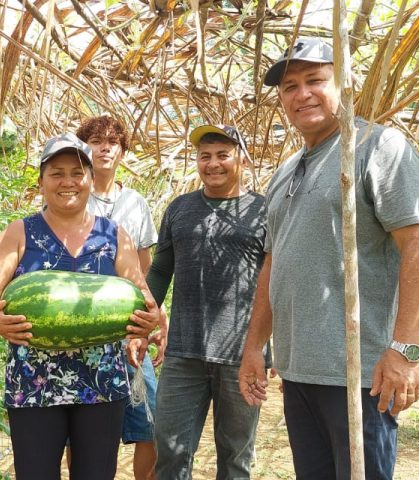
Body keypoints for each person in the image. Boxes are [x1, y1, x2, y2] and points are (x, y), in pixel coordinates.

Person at [237, 37, 419, 479]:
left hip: (359, 374)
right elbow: (275, 261)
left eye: (315, 80)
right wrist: (255, 345)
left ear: (345, 85)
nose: (301, 93)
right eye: (289, 86)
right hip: (298, 370)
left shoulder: (377, 147)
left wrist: (405, 350)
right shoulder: (288, 169)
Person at [0, 133, 163, 480]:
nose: (68, 182)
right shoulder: (20, 232)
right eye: (57, 173)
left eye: (77, 172)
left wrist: (149, 324)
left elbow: (142, 296)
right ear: (41, 181)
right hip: (34, 385)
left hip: (102, 384)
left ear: (90, 179)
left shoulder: (115, 235)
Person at [148, 124, 267, 479]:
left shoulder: (262, 211)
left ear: (242, 159)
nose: (212, 164)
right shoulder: (180, 209)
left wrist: (264, 349)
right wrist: (140, 323)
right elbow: (159, 272)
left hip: (241, 356)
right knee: (169, 449)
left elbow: (276, 282)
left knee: (235, 455)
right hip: (184, 352)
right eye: (204, 156)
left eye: (222, 155)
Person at [75, 115, 160, 480]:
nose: (105, 147)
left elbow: (143, 270)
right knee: (82, 431)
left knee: (151, 420)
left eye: (113, 141)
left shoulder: (135, 203)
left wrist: (148, 323)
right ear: (83, 149)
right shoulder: (72, 195)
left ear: (122, 151)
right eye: (95, 141)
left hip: (127, 327)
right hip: (81, 326)